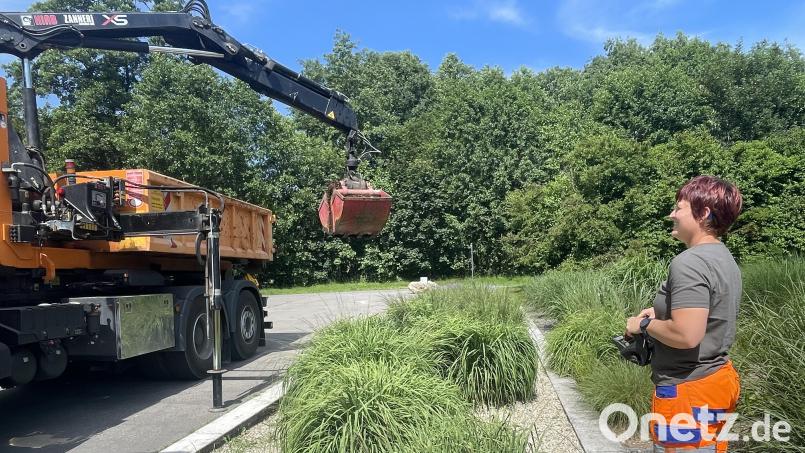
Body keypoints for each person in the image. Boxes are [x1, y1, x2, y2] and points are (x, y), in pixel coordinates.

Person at [626, 175, 743, 452]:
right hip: (716, 381)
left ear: (703, 214)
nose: (672, 214)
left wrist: (643, 324)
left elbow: (687, 335)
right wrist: (662, 311)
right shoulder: (723, 257)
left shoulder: (689, 262)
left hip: (687, 392)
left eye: (679, 208)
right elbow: (710, 309)